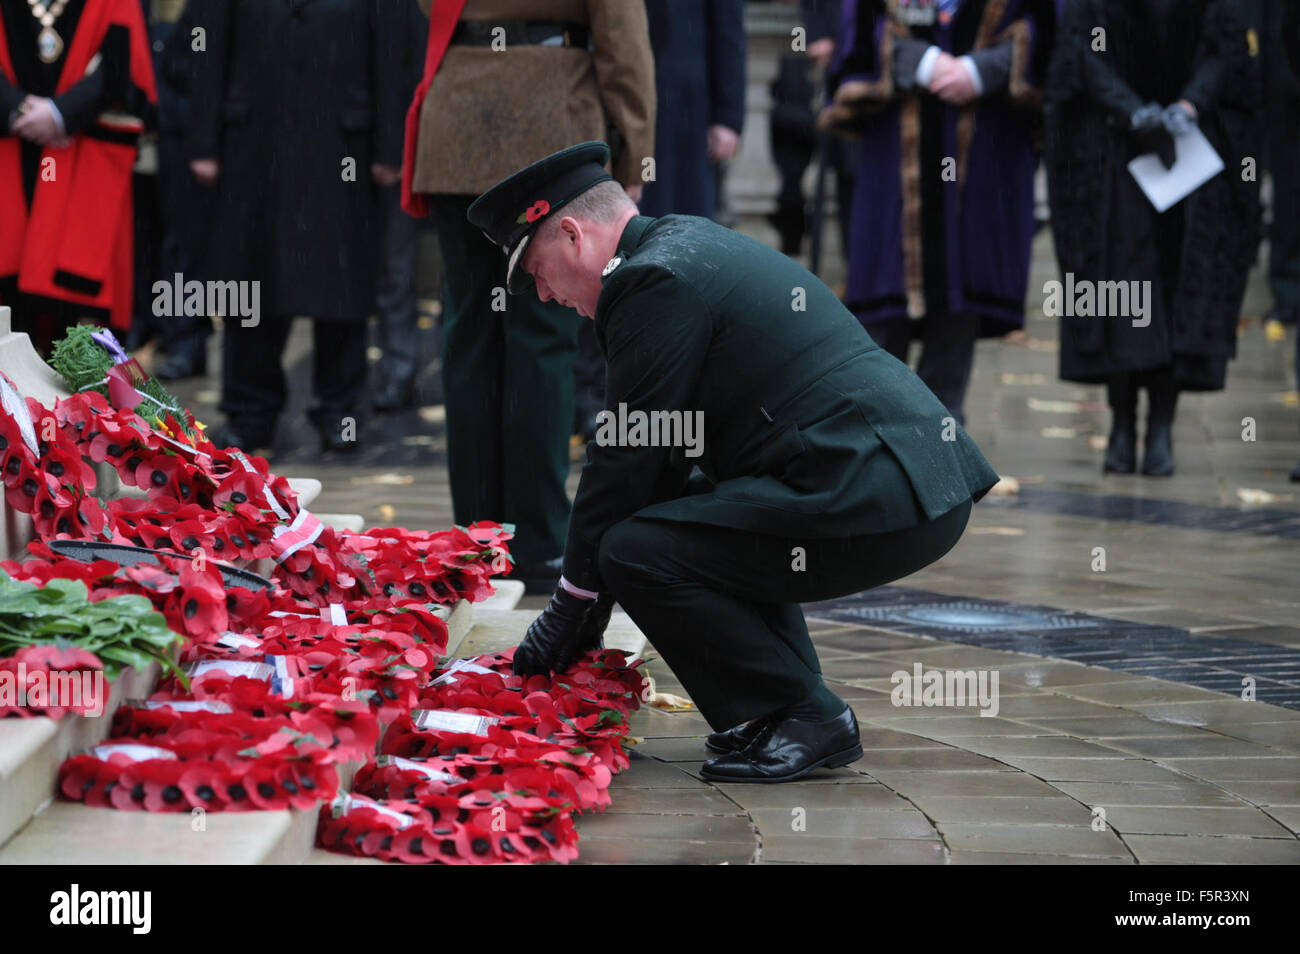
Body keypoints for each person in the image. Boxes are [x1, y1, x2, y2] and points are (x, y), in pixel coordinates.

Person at [468, 142, 1000, 783]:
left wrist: (573, 605)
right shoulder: (680, 243)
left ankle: (806, 714)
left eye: (537, 271)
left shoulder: (647, 280)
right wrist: (583, 607)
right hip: (893, 472)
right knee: (691, 527)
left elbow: (625, 460)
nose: (545, 295)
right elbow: (656, 464)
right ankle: (787, 708)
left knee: (636, 550)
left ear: (574, 235)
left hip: (877, 480)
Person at [403, 0, 655, 593]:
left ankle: (474, 535)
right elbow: (622, 40)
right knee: (541, 336)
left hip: (458, 118)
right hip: (549, 123)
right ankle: (538, 542)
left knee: (468, 336)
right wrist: (636, 147)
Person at [1044, 0, 1261, 477]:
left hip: (1193, 150)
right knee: (1120, 290)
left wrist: (1190, 104)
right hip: (1110, 148)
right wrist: (1130, 110)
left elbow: (1227, 45)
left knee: (1178, 286)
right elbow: (1081, 48)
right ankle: (1122, 422)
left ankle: (1162, 424)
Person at [818, 0, 1056, 429]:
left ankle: (941, 437)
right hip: (896, 152)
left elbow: (1049, 30)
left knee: (959, 293)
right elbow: (856, 40)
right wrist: (921, 62)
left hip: (986, 145)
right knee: (882, 307)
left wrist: (983, 70)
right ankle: (869, 435)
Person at [184, 0, 399, 454]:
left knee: (341, 284)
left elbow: (393, 45)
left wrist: (390, 147)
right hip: (253, 141)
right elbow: (207, 42)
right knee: (251, 282)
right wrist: (203, 139)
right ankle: (251, 412)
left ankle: (340, 411)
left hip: (343, 142)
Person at [0, 0, 156, 353]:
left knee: (75, 321)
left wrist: (62, 113)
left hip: (84, 151)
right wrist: (15, 108)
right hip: (9, 148)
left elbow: (121, 60)